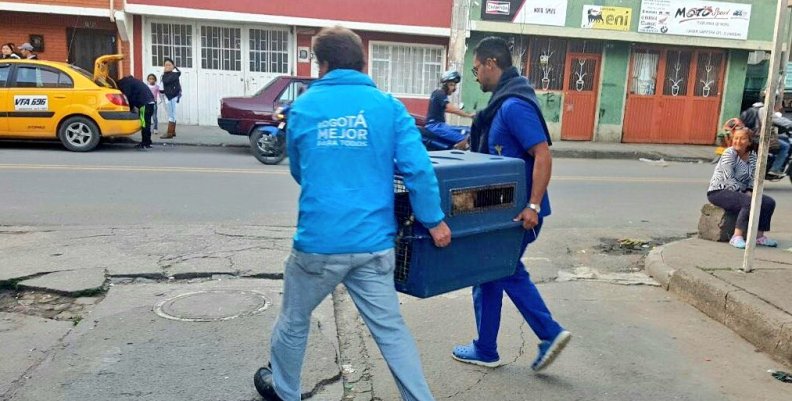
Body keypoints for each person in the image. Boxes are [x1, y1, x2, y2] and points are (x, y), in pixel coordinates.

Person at [253, 26, 451, 401]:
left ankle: (284, 391)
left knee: (294, 321)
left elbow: (299, 169)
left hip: (318, 245)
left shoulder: (305, 107)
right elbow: (418, 170)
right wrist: (434, 220)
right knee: (390, 330)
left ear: (322, 64)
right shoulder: (388, 107)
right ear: (362, 62)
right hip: (373, 245)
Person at [452, 36, 571, 372]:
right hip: (500, 211)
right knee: (489, 274)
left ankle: (549, 333)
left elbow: (542, 154)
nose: (476, 77)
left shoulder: (514, 105)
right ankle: (486, 348)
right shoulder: (501, 105)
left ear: (492, 63)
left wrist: (533, 206)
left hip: (518, 214)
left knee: (502, 270)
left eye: (477, 70)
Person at [707, 127, 777, 249]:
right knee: (748, 202)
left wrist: (749, 190)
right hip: (719, 191)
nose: (738, 141)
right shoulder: (729, 153)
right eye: (736, 138)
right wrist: (743, 193)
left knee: (768, 202)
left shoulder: (752, 156)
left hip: (741, 192)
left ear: (749, 142)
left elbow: (753, 178)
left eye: (742, 138)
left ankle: (759, 236)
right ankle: (736, 237)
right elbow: (728, 177)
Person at [425, 70, 474, 149]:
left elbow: (447, 108)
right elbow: (449, 108)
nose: (454, 88)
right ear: (445, 84)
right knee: (463, 139)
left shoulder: (439, 94)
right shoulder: (439, 93)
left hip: (440, 125)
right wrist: (468, 115)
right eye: (451, 85)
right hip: (435, 125)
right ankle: (454, 156)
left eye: (455, 85)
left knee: (467, 130)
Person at [117, 76, 156, 150]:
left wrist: (129, 109)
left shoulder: (125, 84)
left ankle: (145, 143)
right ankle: (148, 142)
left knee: (144, 124)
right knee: (147, 123)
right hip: (150, 103)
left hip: (144, 104)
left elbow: (128, 97)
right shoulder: (135, 82)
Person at [160, 58, 181, 139]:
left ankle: (169, 133)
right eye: (165, 65)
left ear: (173, 66)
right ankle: (173, 131)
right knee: (173, 114)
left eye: (169, 65)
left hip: (171, 97)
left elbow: (166, 81)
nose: (167, 66)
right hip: (168, 97)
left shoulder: (172, 75)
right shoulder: (168, 74)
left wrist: (172, 69)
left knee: (171, 115)